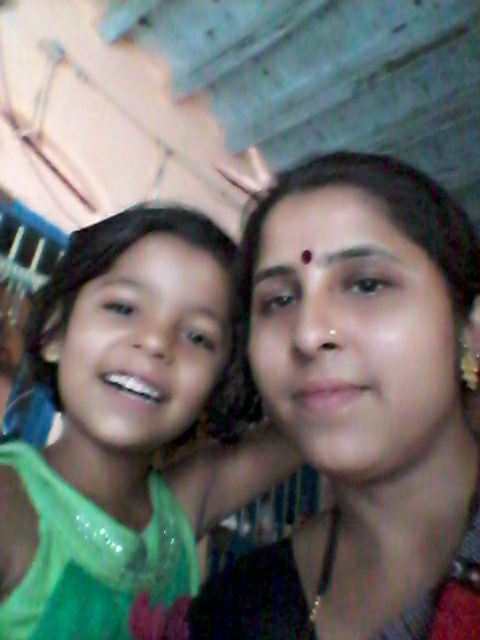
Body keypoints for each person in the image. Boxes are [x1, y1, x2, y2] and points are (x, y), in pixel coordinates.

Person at [189, 153, 480, 639]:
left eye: (366, 284)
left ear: (468, 328)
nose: (307, 335)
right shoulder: (236, 613)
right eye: (279, 300)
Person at [0, 204, 300, 640]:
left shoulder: (179, 513)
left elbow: (306, 427)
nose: (157, 341)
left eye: (198, 336)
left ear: (218, 386)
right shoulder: (10, 507)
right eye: (123, 308)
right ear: (55, 333)